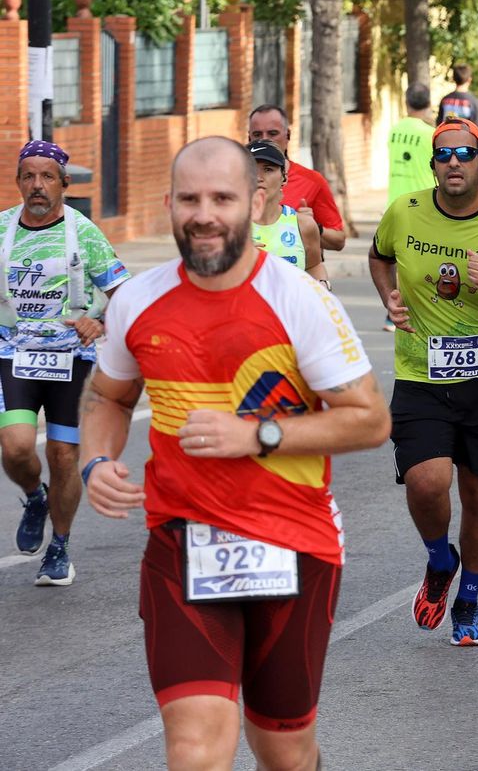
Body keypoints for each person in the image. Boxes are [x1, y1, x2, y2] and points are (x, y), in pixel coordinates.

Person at [81, 136, 388, 770]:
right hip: (182, 542)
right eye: (189, 199)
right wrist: (96, 461)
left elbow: (370, 421)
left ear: (255, 201)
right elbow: (108, 396)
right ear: (169, 205)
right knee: (195, 747)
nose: (204, 214)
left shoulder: (299, 298)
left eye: (222, 198)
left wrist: (257, 436)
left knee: (284, 750)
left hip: (295, 544)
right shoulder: (137, 300)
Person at [369, 116, 478, 647]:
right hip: (420, 374)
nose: (453, 162)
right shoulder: (405, 211)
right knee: (425, 482)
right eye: (443, 154)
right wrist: (389, 297)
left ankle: (468, 600)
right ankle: (439, 560)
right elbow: (379, 257)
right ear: (432, 165)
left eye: (465, 153)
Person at [4, 140, 129, 586]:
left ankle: (59, 546)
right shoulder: (2, 229)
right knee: (17, 447)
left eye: (47, 177)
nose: (37, 185)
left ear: (64, 183)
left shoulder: (85, 234)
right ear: (19, 182)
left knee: (62, 455)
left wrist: (99, 321)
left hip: (71, 359)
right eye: (28, 176)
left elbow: (124, 296)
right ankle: (35, 496)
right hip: (13, 354)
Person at [246, 105, 347, 251]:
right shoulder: (233, 182)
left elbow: (338, 241)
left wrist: (311, 226)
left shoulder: (313, 181)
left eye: (273, 133)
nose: (265, 139)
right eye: (257, 134)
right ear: (249, 137)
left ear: (288, 135)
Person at [246, 140, 328, 286]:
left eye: (268, 169)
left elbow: (314, 266)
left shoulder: (303, 225)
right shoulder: (228, 228)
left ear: (284, 177)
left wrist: (323, 285)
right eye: (251, 170)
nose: (258, 177)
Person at [388, 82, 437, 204]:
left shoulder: (394, 130)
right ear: (429, 103)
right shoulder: (431, 134)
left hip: (395, 203)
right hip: (422, 204)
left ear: (406, 103)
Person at [436, 63, 478, 127]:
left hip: (447, 133)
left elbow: (439, 125)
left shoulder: (445, 100)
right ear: (469, 79)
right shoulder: (474, 101)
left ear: (453, 78)